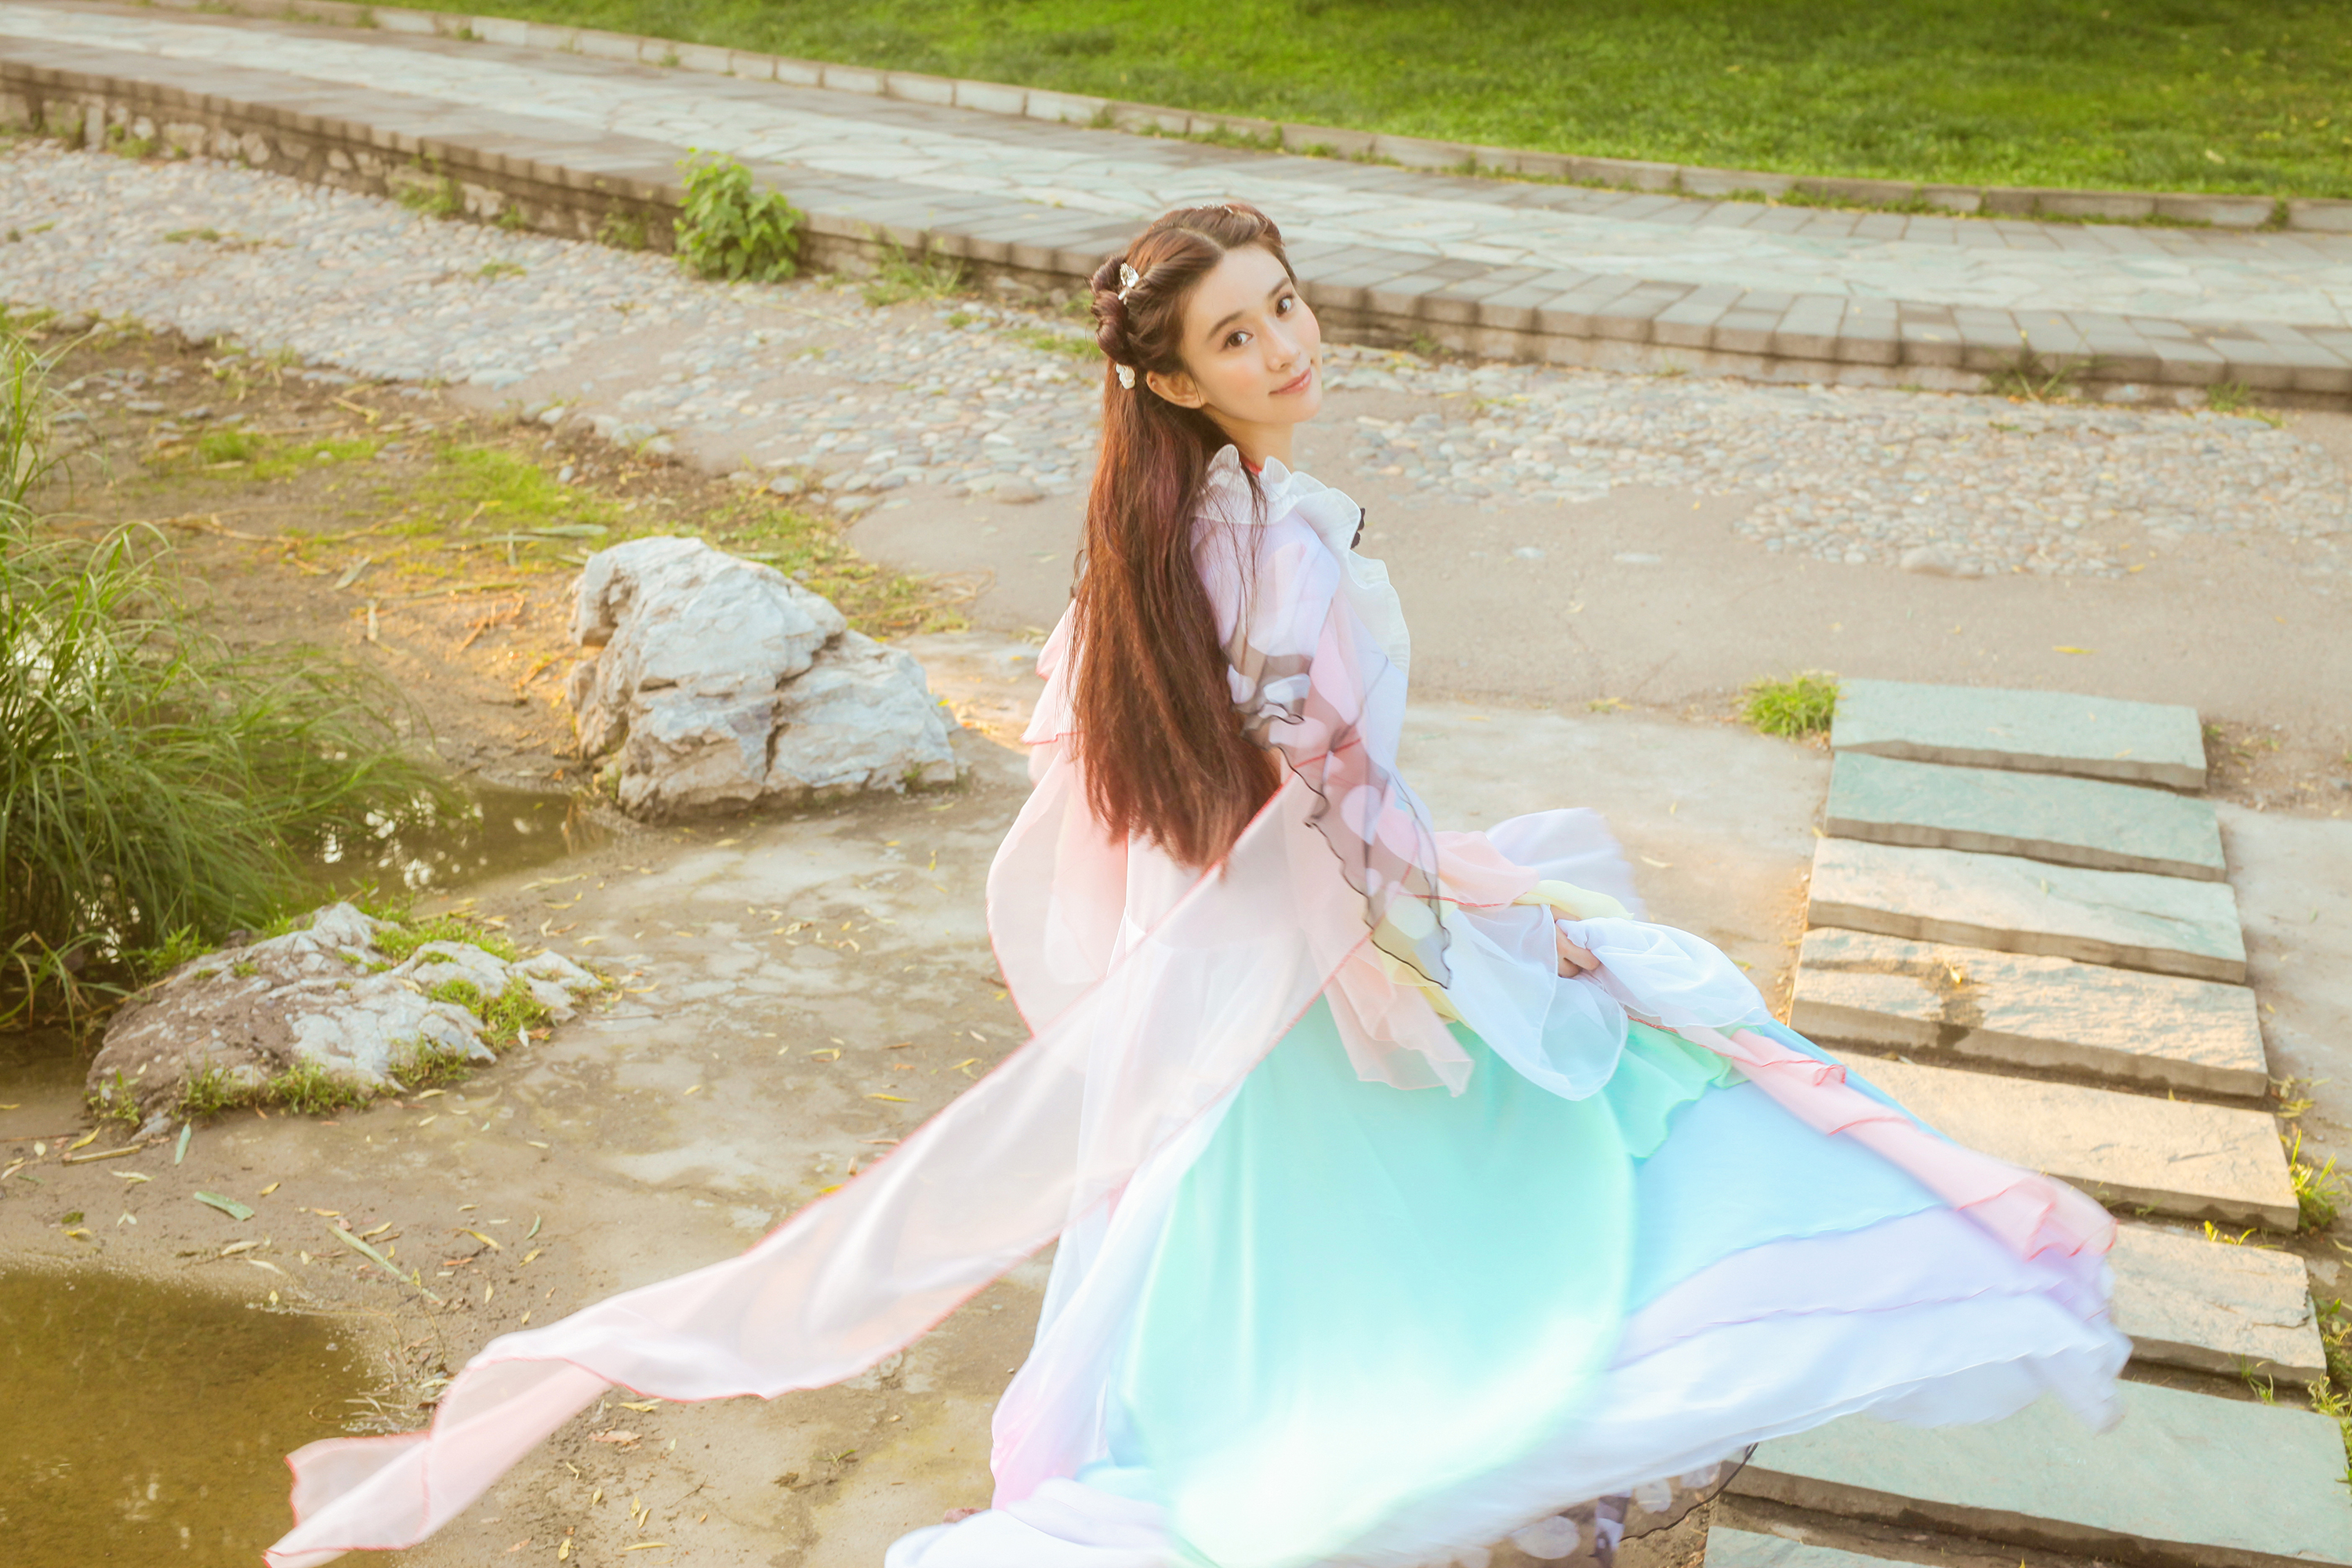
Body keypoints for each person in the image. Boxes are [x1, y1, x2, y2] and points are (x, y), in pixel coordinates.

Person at [266, 203, 2125, 1568]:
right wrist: (1491, 938)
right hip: (1327, 945)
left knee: (1298, 1256)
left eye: (1287, 304)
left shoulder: (1153, 549)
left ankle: (1454, 1466)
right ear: (1170, 379)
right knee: (1611, 1138)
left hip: (1266, 959)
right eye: (1240, 337)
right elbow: (1329, 812)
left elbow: (1125, 779)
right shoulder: (1266, 555)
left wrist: (1332, 908)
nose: (1287, 348)